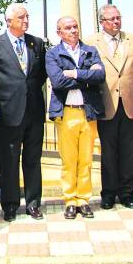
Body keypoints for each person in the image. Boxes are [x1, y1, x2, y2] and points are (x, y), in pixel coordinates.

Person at [0, 3, 47, 221]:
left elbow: (40, 76)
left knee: (33, 159)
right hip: (8, 112)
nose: (26, 20)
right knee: (9, 160)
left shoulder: (36, 43)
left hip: (34, 111)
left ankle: (33, 203)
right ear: (9, 21)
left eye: (27, 16)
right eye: (21, 17)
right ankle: (10, 204)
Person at [85, 5, 133, 210]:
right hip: (106, 103)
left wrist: (127, 88)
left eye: (118, 18)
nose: (116, 22)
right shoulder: (91, 42)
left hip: (129, 102)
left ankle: (127, 192)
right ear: (102, 21)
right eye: (111, 19)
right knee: (108, 151)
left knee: (129, 151)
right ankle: (109, 193)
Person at [46, 16, 105, 219]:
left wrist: (73, 73)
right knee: (68, 160)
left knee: (86, 159)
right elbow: (58, 81)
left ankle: (84, 200)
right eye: (68, 28)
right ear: (59, 32)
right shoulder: (53, 53)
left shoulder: (91, 50)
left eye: (75, 27)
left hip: (88, 111)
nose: (73, 31)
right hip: (67, 112)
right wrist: (86, 75)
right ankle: (70, 199)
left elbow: (100, 77)